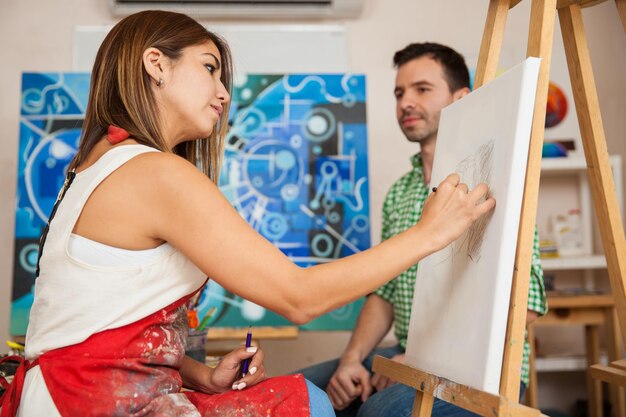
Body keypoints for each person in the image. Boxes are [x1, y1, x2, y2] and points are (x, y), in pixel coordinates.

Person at [0, 13, 495, 417]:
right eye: (210, 68)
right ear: (156, 64)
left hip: (64, 393)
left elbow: (95, 329)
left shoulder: (96, 164)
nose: (223, 93)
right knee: (314, 403)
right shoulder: (156, 173)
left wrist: (201, 375)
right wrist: (430, 233)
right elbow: (297, 297)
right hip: (89, 402)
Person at [299, 42, 548, 417]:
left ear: (462, 98)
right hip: (409, 355)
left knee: (377, 413)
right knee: (296, 393)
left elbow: (526, 305)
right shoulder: (400, 190)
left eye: (422, 89)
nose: (405, 102)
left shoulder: (496, 183)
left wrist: (420, 359)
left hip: (483, 372)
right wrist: (351, 360)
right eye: (400, 92)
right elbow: (384, 294)